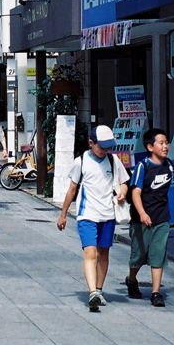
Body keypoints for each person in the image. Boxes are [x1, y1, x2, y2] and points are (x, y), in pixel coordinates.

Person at [56, 125, 129, 312]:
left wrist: (122, 193)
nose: (106, 150)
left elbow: (123, 182)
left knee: (103, 253)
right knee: (91, 252)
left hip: (108, 215)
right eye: (102, 146)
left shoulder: (113, 161)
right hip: (87, 214)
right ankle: (92, 293)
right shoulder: (81, 162)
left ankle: (99, 289)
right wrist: (63, 214)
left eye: (108, 146)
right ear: (91, 143)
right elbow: (72, 189)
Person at [126, 129, 174, 307]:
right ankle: (131, 280)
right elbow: (136, 193)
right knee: (138, 256)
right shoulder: (143, 166)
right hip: (141, 220)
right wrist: (142, 214)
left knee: (158, 255)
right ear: (150, 146)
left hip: (162, 218)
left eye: (166, 142)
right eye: (161, 143)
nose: (165, 146)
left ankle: (156, 293)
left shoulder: (169, 165)